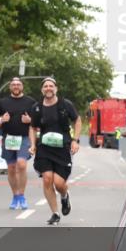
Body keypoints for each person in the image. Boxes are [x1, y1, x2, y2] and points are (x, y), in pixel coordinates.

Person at [28, 77, 81, 225]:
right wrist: (33, 144)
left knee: (59, 184)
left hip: (63, 148)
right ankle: (55, 213)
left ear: (56, 89)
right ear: (42, 90)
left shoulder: (65, 105)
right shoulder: (37, 107)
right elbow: (32, 127)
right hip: (44, 148)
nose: (48, 88)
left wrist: (75, 141)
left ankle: (64, 196)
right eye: (45, 86)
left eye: (51, 86)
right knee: (47, 179)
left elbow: (77, 120)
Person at [0, 77, 37, 210]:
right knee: (11, 168)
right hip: (8, 138)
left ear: (22, 87)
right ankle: (15, 196)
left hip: (24, 137)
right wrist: (1, 119)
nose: (16, 86)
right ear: (10, 87)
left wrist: (30, 120)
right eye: (13, 84)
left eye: (18, 84)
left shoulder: (30, 102)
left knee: (22, 164)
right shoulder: (3, 102)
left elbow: (38, 121)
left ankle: (22, 196)